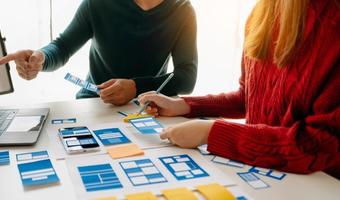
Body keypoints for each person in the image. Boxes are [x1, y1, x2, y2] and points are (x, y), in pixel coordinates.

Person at [138, 0, 340, 178]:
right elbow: (248, 97)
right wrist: (184, 105)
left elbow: (317, 145)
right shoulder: (260, 14)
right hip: (264, 173)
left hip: (316, 184)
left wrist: (211, 132)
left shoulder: (332, 24)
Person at [0, 0, 197, 106]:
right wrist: (41, 58)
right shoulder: (98, 3)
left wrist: (136, 87)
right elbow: (63, 46)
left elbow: (186, 78)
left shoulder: (182, 10)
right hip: (94, 103)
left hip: (145, 108)